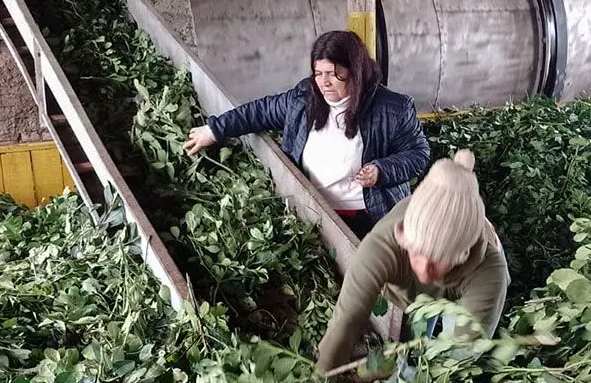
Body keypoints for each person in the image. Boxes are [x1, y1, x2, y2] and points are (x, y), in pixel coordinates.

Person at [184, 30, 430, 239]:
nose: (325, 82)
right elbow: (259, 112)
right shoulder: (303, 98)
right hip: (311, 215)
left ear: (355, 71)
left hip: (369, 218)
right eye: (318, 73)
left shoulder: (392, 108)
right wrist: (215, 130)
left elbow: (419, 154)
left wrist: (381, 170)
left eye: (335, 74)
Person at [311, 148, 509, 383]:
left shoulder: (488, 273)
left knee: (450, 353)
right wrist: (320, 380)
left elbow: (457, 360)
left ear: (461, 255)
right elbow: (348, 318)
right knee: (414, 332)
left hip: (463, 292)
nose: (424, 270)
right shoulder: (383, 244)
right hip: (412, 287)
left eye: (438, 260)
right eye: (417, 253)